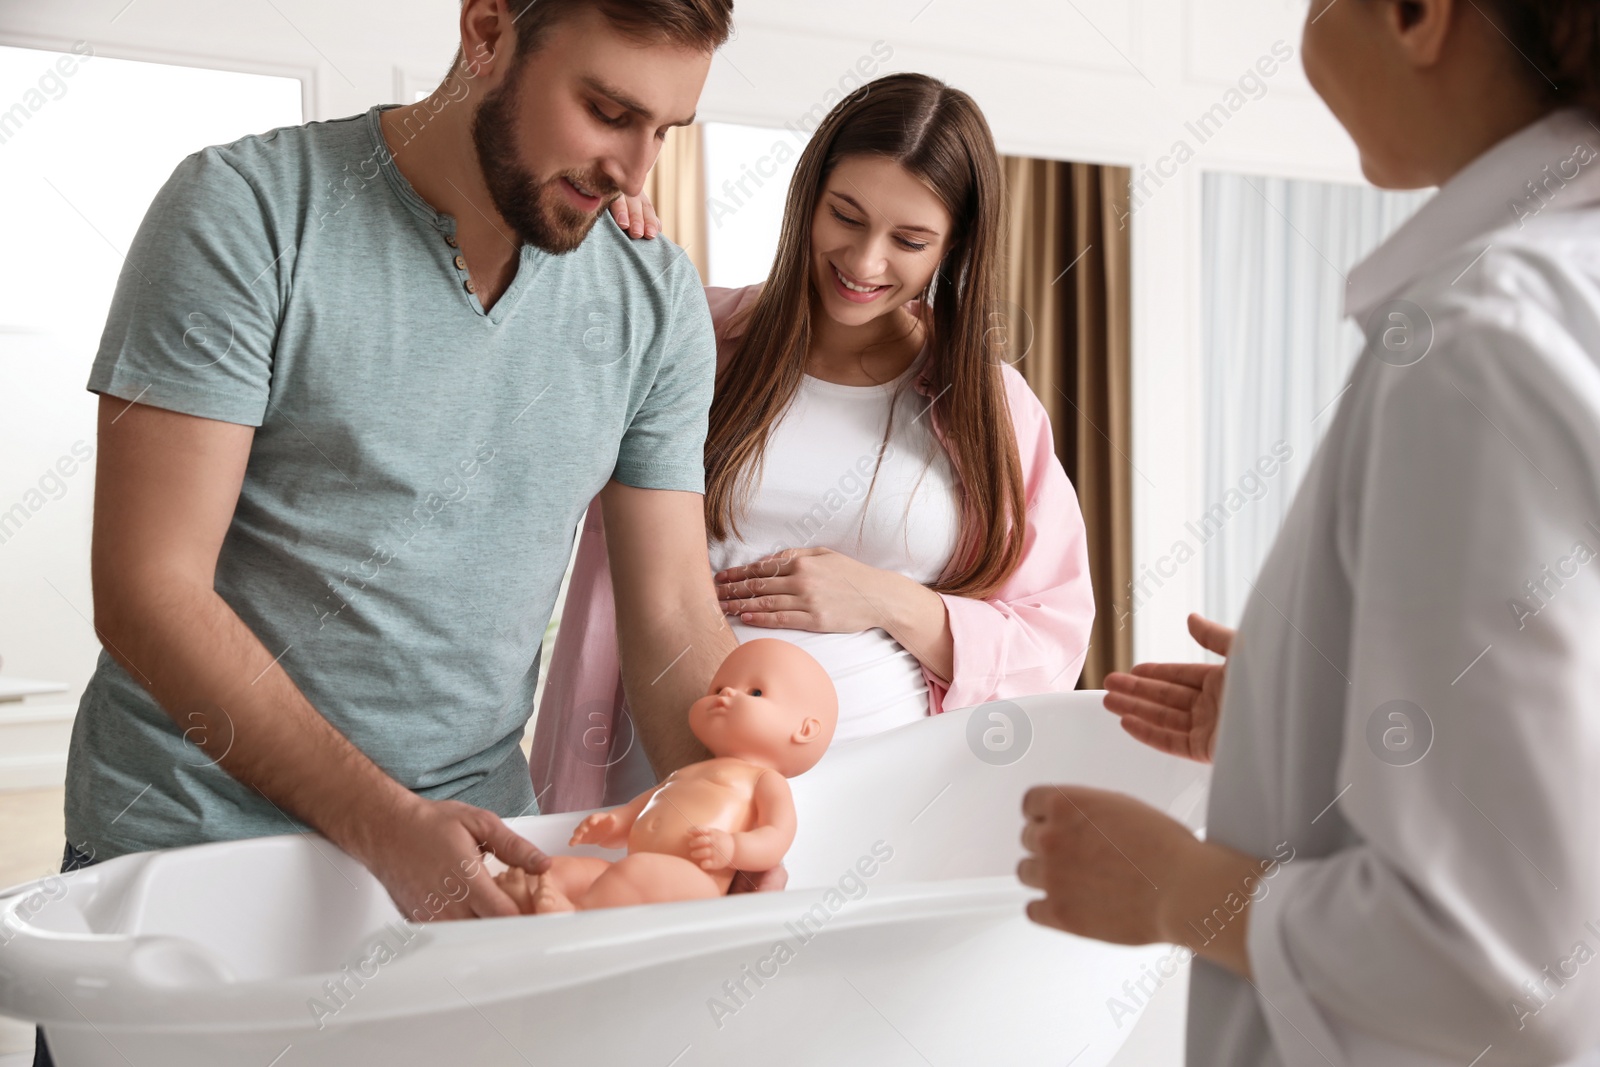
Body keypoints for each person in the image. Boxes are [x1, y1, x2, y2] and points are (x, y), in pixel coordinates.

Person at [58, 0, 737, 965]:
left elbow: (671, 606)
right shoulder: (246, 210)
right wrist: (385, 826)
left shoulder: (654, 298)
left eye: (665, 131)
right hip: (189, 846)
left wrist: (727, 795)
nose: (633, 171)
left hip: (477, 853)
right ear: (489, 30)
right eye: (606, 111)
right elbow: (146, 591)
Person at [1020, 0, 1600, 1064]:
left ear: (1419, 15)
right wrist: (1313, 715)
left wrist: (1175, 890)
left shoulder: (1480, 345)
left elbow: (1508, 968)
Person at [531, 73, 1095, 813]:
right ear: (808, 196)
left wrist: (891, 601)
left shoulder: (992, 411)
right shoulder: (692, 338)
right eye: (846, 216)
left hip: (888, 813)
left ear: (956, 247)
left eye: (910, 240)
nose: (864, 263)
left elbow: (1050, 639)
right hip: (664, 793)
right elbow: (529, 383)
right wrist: (596, 256)